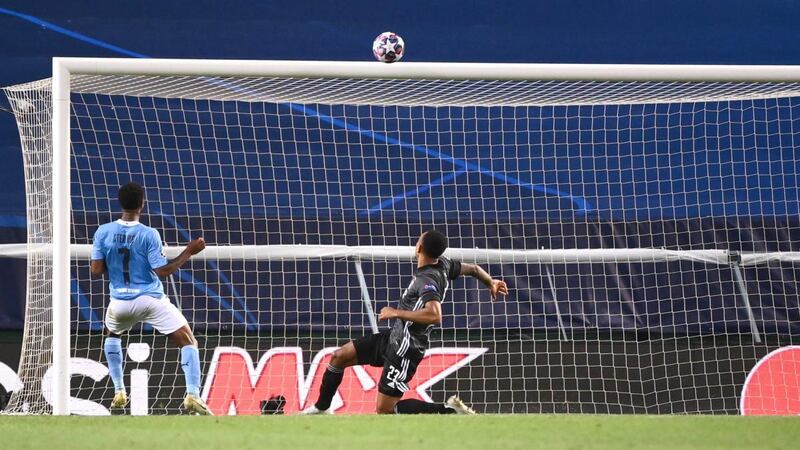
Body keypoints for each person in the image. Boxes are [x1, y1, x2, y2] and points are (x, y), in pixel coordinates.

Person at [302, 229, 508, 415]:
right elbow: (472, 268)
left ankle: (448, 409)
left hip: (406, 349)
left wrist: (396, 313)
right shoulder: (444, 264)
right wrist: (491, 282)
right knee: (339, 356)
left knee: (385, 410)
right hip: (394, 337)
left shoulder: (427, 280)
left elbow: (434, 315)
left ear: (419, 248)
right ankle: (322, 408)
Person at [90, 182, 212, 415]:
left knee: (113, 334)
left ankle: (118, 390)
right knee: (188, 341)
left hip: (119, 303)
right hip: (149, 300)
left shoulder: (102, 232)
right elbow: (163, 271)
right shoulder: (148, 234)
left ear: (120, 203)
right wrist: (189, 251)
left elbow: (96, 270)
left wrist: (115, 260)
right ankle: (193, 395)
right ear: (142, 204)